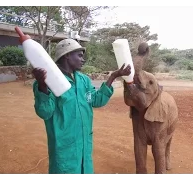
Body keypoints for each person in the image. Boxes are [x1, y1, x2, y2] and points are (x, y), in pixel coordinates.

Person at [32, 38, 131, 174]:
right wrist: (42, 86)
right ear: (67, 55)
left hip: (84, 143)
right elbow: (44, 112)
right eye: (79, 55)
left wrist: (113, 76)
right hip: (64, 146)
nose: (83, 59)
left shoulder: (83, 80)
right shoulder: (50, 80)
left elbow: (96, 100)